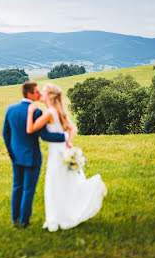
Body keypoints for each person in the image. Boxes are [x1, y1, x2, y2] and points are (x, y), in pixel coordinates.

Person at [26, 83, 107, 232]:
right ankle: (62, 214)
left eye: (43, 91)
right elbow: (73, 128)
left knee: (54, 184)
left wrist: (30, 111)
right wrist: (68, 141)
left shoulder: (49, 113)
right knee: (67, 183)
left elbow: (31, 128)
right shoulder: (58, 111)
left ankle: (57, 217)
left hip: (56, 155)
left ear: (49, 96)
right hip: (63, 151)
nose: (41, 94)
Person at [3, 82, 67, 228]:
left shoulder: (11, 109)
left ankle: (15, 220)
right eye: (37, 92)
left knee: (17, 187)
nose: (39, 94)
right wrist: (64, 136)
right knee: (28, 190)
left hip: (15, 156)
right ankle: (24, 222)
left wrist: (11, 152)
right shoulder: (36, 112)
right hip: (32, 157)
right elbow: (44, 135)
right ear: (30, 94)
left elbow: (6, 133)